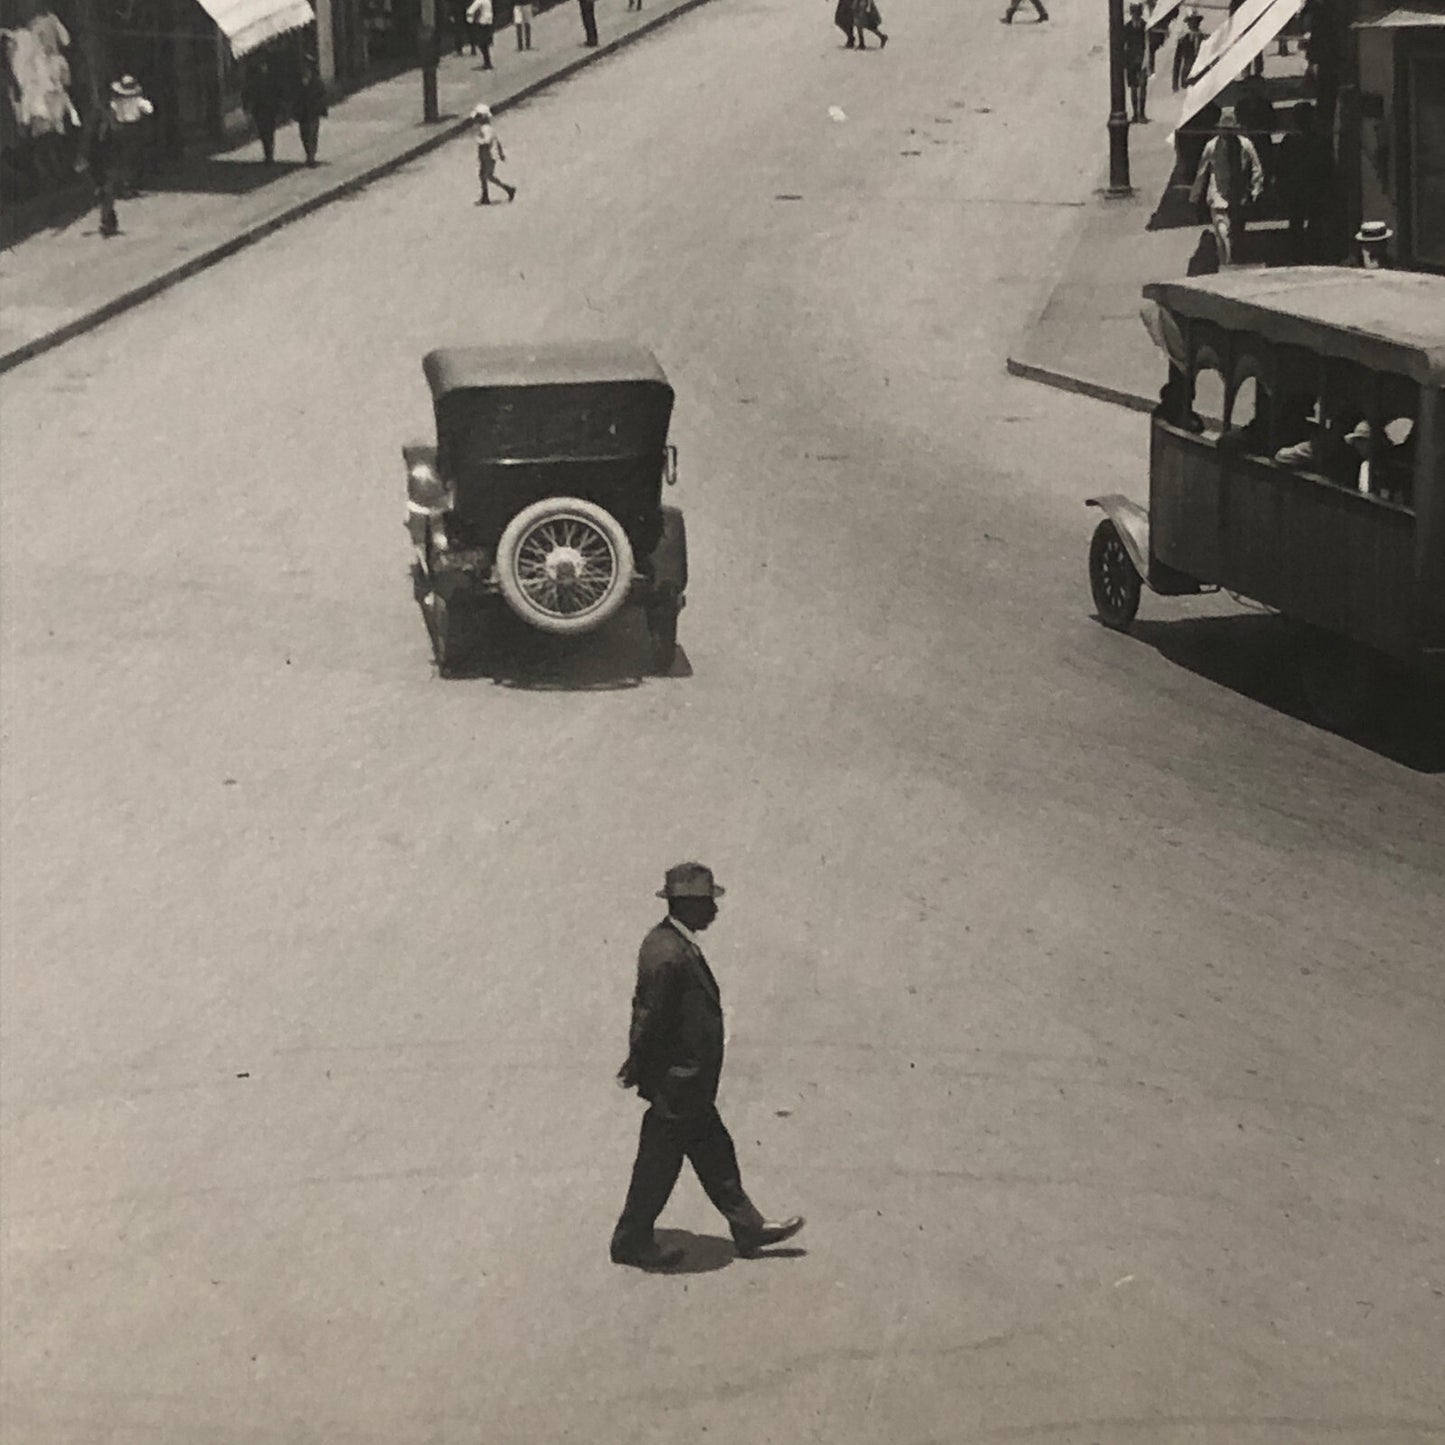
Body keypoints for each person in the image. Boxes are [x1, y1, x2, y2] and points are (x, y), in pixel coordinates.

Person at [612, 863, 805, 1270]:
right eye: (708, 904)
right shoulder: (666, 953)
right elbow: (648, 1019)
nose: (715, 912)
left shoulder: (677, 944)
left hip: (689, 1082)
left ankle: (748, 1227)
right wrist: (642, 1069)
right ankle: (631, 1241)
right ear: (687, 906)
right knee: (658, 1166)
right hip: (678, 1083)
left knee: (715, 1152)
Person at [1189, 106, 1263, 266]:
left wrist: (1256, 188)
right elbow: (1202, 171)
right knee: (1221, 228)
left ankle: (1235, 255)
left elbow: (1256, 167)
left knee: (1236, 228)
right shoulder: (1211, 146)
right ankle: (1225, 259)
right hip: (1218, 193)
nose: (1228, 134)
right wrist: (1195, 195)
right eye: (1224, 130)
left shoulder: (1245, 145)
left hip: (1239, 192)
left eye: (1230, 130)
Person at [107, 74, 153, 197]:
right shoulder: (138, 101)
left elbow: (111, 115)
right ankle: (130, 185)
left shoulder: (115, 102)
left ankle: (123, 186)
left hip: (120, 129)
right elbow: (149, 110)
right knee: (133, 157)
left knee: (122, 158)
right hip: (134, 128)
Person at [83, 102, 121, 237]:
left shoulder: (111, 132)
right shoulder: (92, 136)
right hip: (98, 165)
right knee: (102, 191)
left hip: (109, 163)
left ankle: (108, 219)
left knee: (108, 191)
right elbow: (87, 150)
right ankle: (108, 218)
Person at [471, 102, 516, 203]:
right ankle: (485, 196)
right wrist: (501, 153)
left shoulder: (486, 129)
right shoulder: (486, 128)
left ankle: (507, 189)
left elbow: (487, 141)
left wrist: (479, 140)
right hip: (485, 156)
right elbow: (497, 142)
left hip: (489, 156)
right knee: (483, 175)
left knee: (487, 176)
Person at [242, 55, 282, 164]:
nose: (263, 68)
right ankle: (268, 153)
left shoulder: (271, 79)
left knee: (269, 132)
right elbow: (248, 93)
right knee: (264, 132)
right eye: (262, 66)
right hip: (260, 110)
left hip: (269, 110)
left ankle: (269, 154)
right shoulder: (256, 80)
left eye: (264, 66)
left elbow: (278, 93)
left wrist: (278, 107)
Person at [294, 55, 327, 167]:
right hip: (303, 113)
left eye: (307, 68)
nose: (305, 71)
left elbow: (322, 95)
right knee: (304, 135)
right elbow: (296, 96)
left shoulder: (316, 82)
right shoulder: (298, 82)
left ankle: (311, 156)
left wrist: (321, 108)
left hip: (313, 112)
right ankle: (308, 153)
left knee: (312, 134)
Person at [1123, 2, 1149, 121]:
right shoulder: (1127, 27)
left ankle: (1142, 113)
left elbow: (1147, 44)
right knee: (1133, 87)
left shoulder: (1145, 26)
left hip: (1142, 58)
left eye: (1138, 13)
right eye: (1134, 13)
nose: (1136, 16)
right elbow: (1124, 45)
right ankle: (1135, 114)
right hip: (1131, 60)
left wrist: (1147, 60)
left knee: (1143, 86)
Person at [1173, 10, 1205, 91]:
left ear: (1199, 23)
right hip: (1187, 76)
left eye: (1196, 21)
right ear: (1188, 24)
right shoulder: (1183, 41)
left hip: (1202, 74)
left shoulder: (1205, 39)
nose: (1193, 24)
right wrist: (1175, 82)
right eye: (1190, 22)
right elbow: (1177, 61)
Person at [465, 0, 495, 68]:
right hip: (489, 22)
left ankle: (487, 62)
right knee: (485, 44)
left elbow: (470, 10)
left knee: (482, 44)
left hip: (482, 22)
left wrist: (470, 19)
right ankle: (488, 62)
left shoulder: (479, 0)